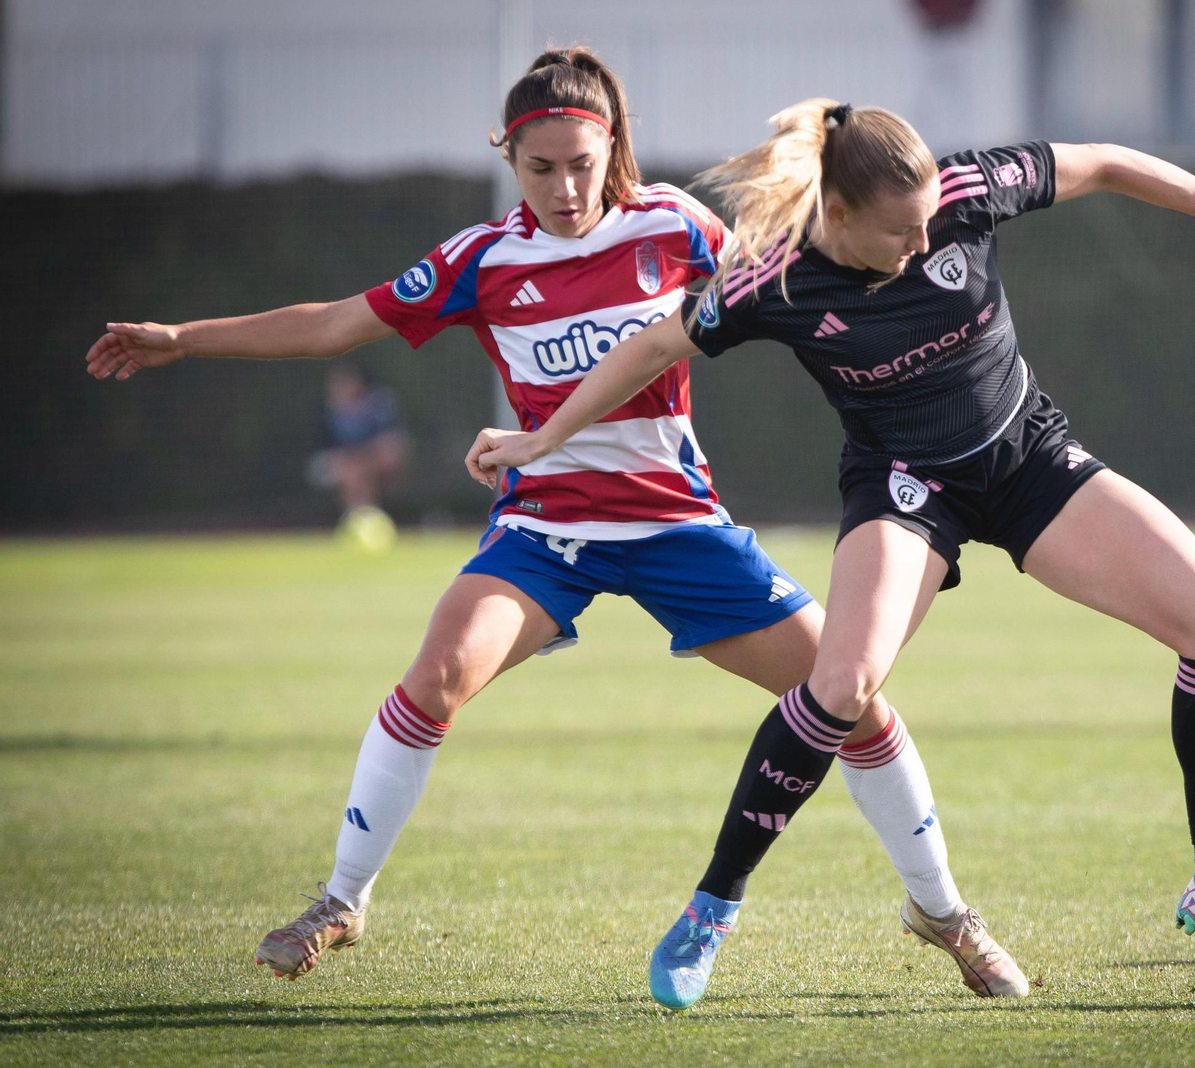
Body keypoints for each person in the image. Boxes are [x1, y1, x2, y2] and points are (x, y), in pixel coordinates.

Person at [82, 57, 1028, 1003]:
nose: (565, 187)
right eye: (540, 168)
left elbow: (801, 278)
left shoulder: (677, 227)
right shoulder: (482, 259)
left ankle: (943, 912)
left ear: (612, 144)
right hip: (546, 527)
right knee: (438, 674)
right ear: (509, 157)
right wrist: (184, 338)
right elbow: (337, 324)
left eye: (581, 162)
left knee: (848, 700)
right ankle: (340, 899)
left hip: (677, 526)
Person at [465, 99, 1195, 1006]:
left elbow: (1108, 160)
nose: (924, 240)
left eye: (930, 219)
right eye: (901, 229)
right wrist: (544, 439)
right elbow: (657, 343)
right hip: (905, 489)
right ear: (839, 216)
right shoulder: (772, 279)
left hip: (1029, 460)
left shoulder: (965, 190)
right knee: (841, 687)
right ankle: (711, 911)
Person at [310, 363, 410, 549]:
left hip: (373, 457)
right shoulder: (330, 412)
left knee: (362, 467)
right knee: (349, 471)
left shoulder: (379, 403)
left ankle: (365, 519)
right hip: (347, 463)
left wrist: (362, 457)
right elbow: (328, 451)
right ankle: (359, 520)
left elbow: (391, 441)